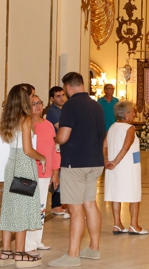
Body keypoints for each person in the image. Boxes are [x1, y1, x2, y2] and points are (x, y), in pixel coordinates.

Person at [49, 72, 105, 267]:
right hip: (95, 162)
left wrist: (54, 141)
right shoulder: (96, 105)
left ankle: (73, 256)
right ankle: (93, 248)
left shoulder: (71, 105)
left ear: (68, 87)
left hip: (76, 163)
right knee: (90, 204)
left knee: (75, 209)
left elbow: (63, 136)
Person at [0, 84, 45, 268]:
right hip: (24, 167)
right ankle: (19, 254)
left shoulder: (8, 118)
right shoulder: (25, 119)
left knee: (10, 208)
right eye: (31, 96)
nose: (33, 99)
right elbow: (27, 149)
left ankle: (6, 253)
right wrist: (42, 157)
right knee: (23, 209)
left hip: (11, 165)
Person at [103, 101, 147, 235]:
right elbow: (126, 147)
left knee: (116, 194)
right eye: (133, 111)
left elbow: (104, 145)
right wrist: (115, 161)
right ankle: (134, 225)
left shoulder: (112, 127)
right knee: (134, 195)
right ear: (127, 114)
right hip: (128, 166)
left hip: (113, 167)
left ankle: (117, 224)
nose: (134, 114)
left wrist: (107, 160)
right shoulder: (130, 128)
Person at [25, 94, 60, 253]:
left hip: (46, 173)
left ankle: (37, 240)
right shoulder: (26, 125)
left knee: (40, 208)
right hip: (29, 172)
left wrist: (55, 171)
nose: (38, 106)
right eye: (33, 104)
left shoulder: (48, 125)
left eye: (39, 103)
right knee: (30, 208)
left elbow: (55, 150)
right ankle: (28, 243)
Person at [45, 86, 67, 218]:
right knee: (58, 175)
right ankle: (55, 205)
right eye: (58, 96)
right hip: (56, 147)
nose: (62, 98)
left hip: (64, 146)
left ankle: (60, 203)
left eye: (63, 95)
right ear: (52, 99)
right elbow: (62, 128)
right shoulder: (52, 111)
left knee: (63, 175)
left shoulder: (65, 109)